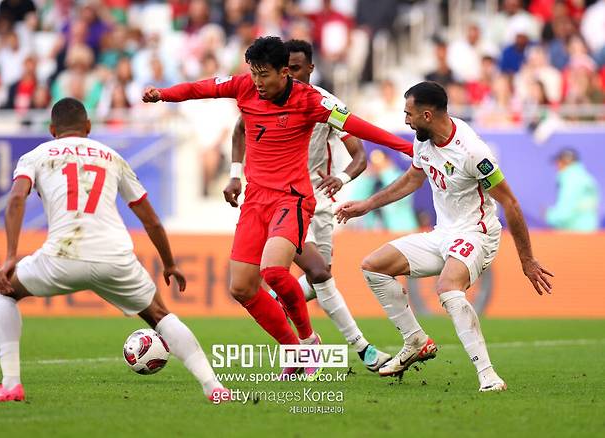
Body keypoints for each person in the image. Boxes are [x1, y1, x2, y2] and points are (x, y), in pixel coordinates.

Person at [143, 36, 413, 380]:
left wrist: (404, 147)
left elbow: (359, 126)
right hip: (255, 200)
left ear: (285, 72)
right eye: (254, 73)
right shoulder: (245, 88)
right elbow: (202, 88)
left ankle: (309, 340)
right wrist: (162, 94)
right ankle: (294, 349)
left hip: (293, 199)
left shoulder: (311, 100)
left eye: (264, 75)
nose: (258, 82)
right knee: (241, 288)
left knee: (274, 271)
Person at [0, 98, 230, 403]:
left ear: (51, 129)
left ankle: (11, 385)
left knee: (3, 290)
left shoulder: (35, 156)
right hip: (115, 258)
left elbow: (16, 200)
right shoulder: (112, 156)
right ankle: (213, 386)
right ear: (87, 127)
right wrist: (169, 264)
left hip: (61, 257)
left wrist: (10, 256)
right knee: (160, 315)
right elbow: (150, 219)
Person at [336, 82, 553, 392]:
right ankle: (416, 340)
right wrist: (367, 205)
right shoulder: (423, 141)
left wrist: (527, 259)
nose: (406, 120)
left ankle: (488, 375)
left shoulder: (473, 151)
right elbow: (413, 178)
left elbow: (510, 202)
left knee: (447, 288)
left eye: (409, 114)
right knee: (373, 265)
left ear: (427, 114)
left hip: (477, 233)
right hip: (443, 234)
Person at [224, 39, 391, 373]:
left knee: (317, 278)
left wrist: (341, 179)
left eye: (298, 69)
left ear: (308, 68)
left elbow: (359, 155)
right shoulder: (265, 98)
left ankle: (280, 307)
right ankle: (361, 348)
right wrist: (235, 174)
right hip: (285, 200)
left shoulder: (325, 105)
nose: (293, 75)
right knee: (318, 272)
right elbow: (240, 130)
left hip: (320, 203)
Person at [546, 148, 600, 232]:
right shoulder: (586, 177)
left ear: (565, 162)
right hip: (590, 231)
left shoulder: (570, 179)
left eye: (558, 162)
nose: (557, 166)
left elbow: (565, 211)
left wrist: (549, 215)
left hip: (574, 233)